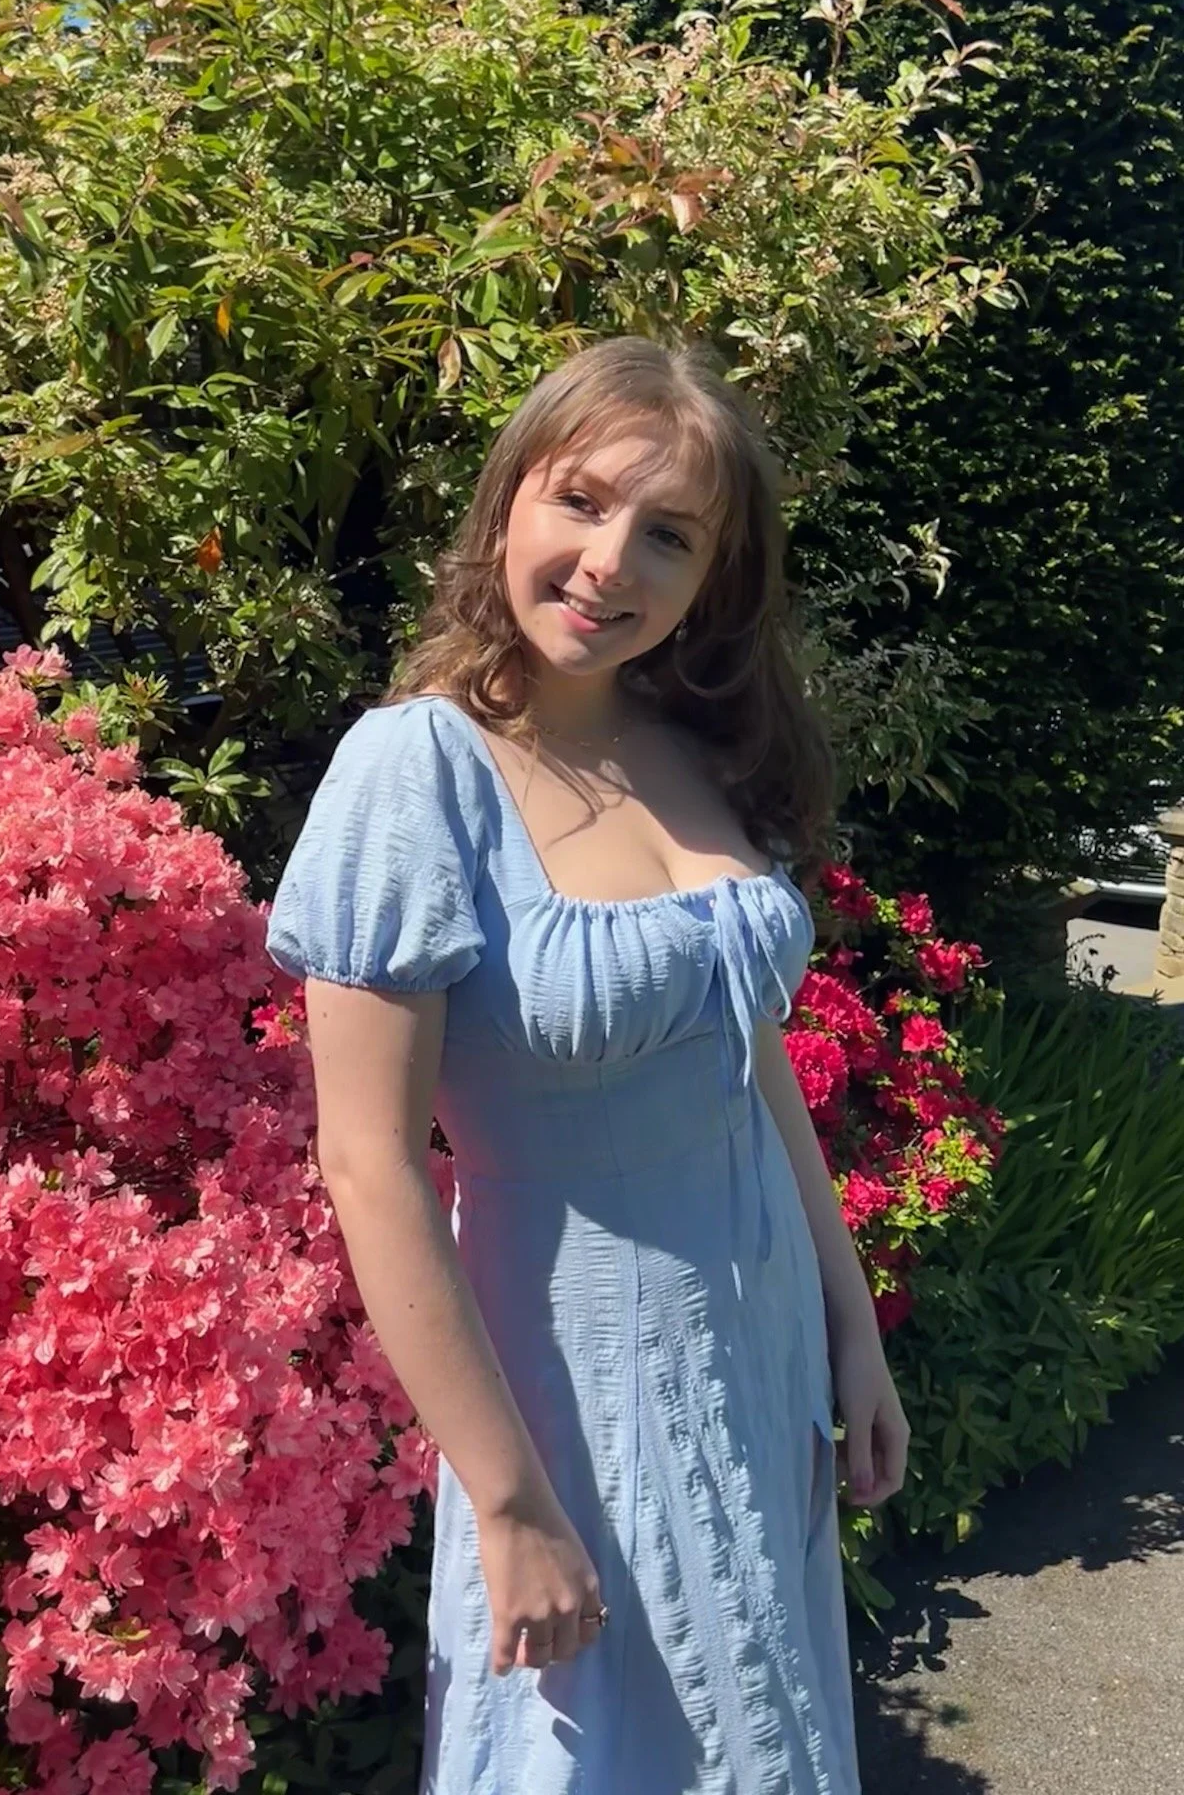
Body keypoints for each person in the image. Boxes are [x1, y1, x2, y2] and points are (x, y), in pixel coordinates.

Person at [264, 334, 909, 1793]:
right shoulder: (414, 773)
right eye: (583, 502)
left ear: (710, 582)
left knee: (762, 1728)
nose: (610, 562)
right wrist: (507, 1505)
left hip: (760, 1356)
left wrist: (851, 1327)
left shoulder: (683, 749)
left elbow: (751, 1065)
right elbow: (368, 1163)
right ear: (507, 506)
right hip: (581, 1389)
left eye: (668, 536)